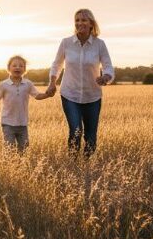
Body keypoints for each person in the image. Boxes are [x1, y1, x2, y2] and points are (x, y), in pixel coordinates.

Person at [47, 9, 114, 156]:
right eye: (77, 20)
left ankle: (86, 166)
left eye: (83, 20)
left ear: (91, 24)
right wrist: (52, 82)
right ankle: (73, 164)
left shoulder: (99, 44)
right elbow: (57, 65)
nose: (79, 23)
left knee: (90, 136)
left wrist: (106, 77)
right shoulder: (66, 43)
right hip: (70, 94)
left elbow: (108, 66)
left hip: (92, 96)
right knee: (76, 130)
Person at [0, 55, 53, 153]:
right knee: (9, 149)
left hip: (22, 123)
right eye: (14, 65)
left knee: (24, 149)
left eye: (21, 66)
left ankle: (20, 166)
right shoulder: (4, 84)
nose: (17, 67)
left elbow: (37, 96)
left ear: (25, 69)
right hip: (7, 123)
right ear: (9, 68)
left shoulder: (28, 84)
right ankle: (9, 167)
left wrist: (48, 95)